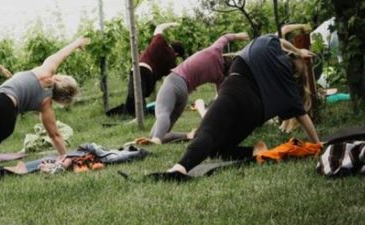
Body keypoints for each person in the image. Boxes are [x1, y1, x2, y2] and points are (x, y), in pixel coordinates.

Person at [165, 34, 321, 176]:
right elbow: (303, 117)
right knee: (218, 147)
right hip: (252, 115)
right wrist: (317, 143)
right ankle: (254, 150)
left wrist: (297, 51)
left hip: (234, 92)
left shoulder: (267, 47)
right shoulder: (289, 89)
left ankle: (180, 168)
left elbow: (280, 40)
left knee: (207, 134)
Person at [0, 37, 90, 190]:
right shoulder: (46, 105)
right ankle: (14, 169)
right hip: (9, 121)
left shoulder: (45, 73)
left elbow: (61, 54)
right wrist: (67, 157)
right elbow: (55, 135)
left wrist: (76, 43)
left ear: (59, 78)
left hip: (0, 102)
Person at [147, 32, 250, 144]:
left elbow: (224, 38)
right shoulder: (220, 77)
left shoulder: (214, 51)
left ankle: (156, 140)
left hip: (174, 81)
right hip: (184, 93)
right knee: (157, 133)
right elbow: (220, 97)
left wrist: (238, 36)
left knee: (163, 112)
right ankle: (188, 135)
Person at [107, 22, 186, 116]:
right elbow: (171, 78)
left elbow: (159, 27)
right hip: (149, 77)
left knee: (136, 97)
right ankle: (117, 114)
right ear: (177, 54)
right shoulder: (172, 61)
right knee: (133, 99)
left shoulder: (160, 42)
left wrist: (172, 24)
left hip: (139, 69)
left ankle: (141, 115)